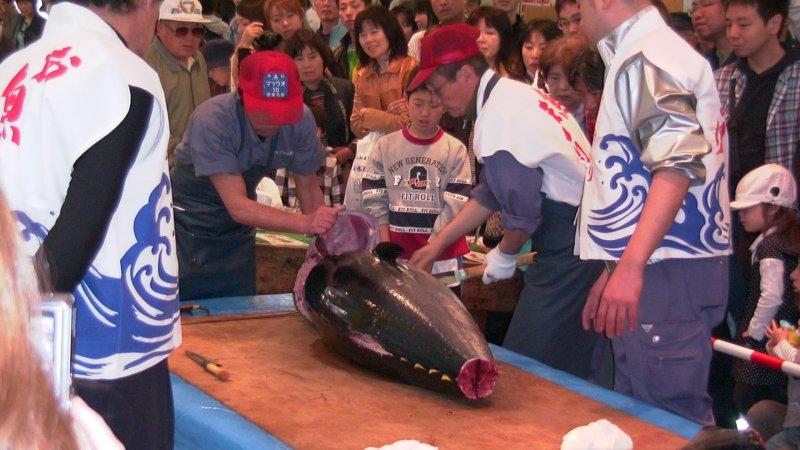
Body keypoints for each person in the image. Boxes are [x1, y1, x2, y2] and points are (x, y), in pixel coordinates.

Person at [0, 0, 182, 446]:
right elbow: (80, 232)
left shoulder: (11, 71)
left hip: (16, 335)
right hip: (105, 357)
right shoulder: (124, 73)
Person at [408, 23, 604, 380]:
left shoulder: (500, 116)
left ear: (465, 74)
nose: (438, 102)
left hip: (572, 248)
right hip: (579, 241)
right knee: (564, 363)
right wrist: (439, 242)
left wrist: (506, 253)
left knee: (528, 368)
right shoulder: (514, 95)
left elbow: (523, 212)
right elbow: (492, 192)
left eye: (438, 90)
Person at [578, 0, 730, 425]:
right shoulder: (647, 53)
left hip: (666, 269)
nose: (574, 18)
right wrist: (616, 267)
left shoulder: (649, 56)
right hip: (662, 265)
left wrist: (630, 264)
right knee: (643, 412)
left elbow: (676, 166)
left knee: (668, 418)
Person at [171, 50, 341, 301]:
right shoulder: (212, 120)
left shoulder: (302, 120)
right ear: (240, 93)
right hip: (189, 228)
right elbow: (238, 206)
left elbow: (308, 187)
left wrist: (326, 243)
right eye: (264, 111)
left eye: (282, 111)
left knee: (236, 314)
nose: (273, 120)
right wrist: (305, 223)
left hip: (238, 233)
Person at [361, 73, 471, 276]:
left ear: (445, 105)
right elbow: (374, 197)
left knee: (443, 306)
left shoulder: (455, 150)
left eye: (434, 105)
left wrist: (433, 249)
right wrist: (385, 246)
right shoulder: (385, 146)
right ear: (406, 100)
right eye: (418, 104)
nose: (425, 113)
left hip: (443, 254)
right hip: (395, 252)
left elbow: (456, 204)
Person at [730, 164, 800, 415]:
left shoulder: (770, 244)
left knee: (747, 400)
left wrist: (755, 331)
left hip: (766, 340)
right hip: (781, 335)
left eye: (747, 208)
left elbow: (771, 294)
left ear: (772, 206)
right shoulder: (781, 239)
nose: (742, 216)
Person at [277, 29, 355, 207]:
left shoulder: (345, 89)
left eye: (312, 57)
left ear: (323, 58)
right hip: (296, 171)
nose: (306, 64)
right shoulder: (284, 95)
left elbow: (359, 130)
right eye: (299, 59)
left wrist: (350, 149)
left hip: (340, 170)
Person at [145, 0, 212, 165]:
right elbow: (147, 129)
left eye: (197, 31)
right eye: (181, 30)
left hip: (200, 162)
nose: (190, 37)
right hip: (165, 169)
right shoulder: (147, 64)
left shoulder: (199, 60)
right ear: (160, 28)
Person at [350, 4, 418, 138]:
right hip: (375, 152)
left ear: (389, 31)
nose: (369, 40)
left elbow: (410, 122)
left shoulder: (411, 68)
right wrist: (387, 115)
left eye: (374, 32)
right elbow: (355, 125)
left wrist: (368, 115)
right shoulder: (362, 74)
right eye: (363, 35)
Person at [539, 35, 590, 132]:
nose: (563, 87)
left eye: (570, 78)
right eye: (555, 78)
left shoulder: (595, 114)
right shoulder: (539, 114)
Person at [467, 6, 522, 80]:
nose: (480, 39)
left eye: (489, 33)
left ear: (503, 38)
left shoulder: (515, 79)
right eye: (475, 32)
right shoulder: (459, 76)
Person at [333, 0, 370, 79]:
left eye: (355, 6)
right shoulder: (337, 55)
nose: (348, 12)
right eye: (343, 8)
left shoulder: (378, 47)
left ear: (367, 7)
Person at [519, 19, 561, 89]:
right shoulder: (512, 83)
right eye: (529, 47)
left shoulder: (563, 86)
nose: (535, 55)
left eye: (543, 48)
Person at [691, 0, 733, 70]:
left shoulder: (752, 61)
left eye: (707, 4)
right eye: (694, 9)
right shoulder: (702, 66)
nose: (697, 15)